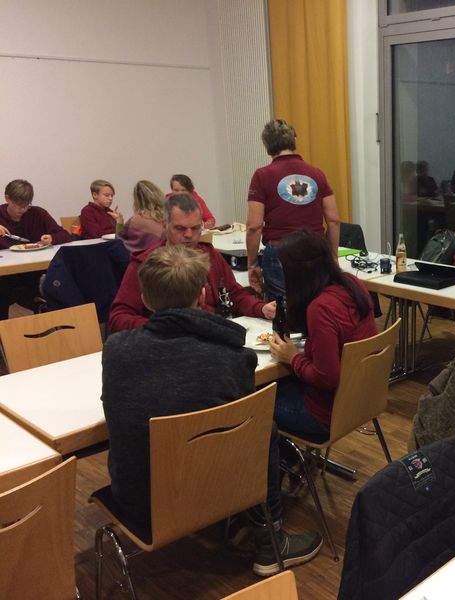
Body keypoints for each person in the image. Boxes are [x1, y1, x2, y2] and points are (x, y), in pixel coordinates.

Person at [101, 244, 321, 577]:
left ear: (144, 299)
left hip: (137, 502)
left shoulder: (116, 351)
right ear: (203, 295)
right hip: (218, 495)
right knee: (262, 431)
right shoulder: (232, 357)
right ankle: (271, 542)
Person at [107, 193, 275, 334]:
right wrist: (163, 327)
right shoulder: (146, 263)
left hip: (211, 336)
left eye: (195, 228)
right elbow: (118, 318)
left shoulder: (210, 255)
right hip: (165, 342)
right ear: (165, 226)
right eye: (180, 228)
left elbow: (234, 295)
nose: (189, 235)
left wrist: (261, 308)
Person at [268, 229, 377, 438]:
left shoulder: (320, 308)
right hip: (362, 400)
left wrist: (293, 358)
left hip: (325, 415)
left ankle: (283, 456)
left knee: (252, 399)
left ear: (297, 273)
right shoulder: (351, 283)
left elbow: (327, 378)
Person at [246, 119, 341, 300]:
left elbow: (254, 226)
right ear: (294, 140)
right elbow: (334, 220)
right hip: (316, 250)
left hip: (281, 252)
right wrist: (333, 257)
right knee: (317, 306)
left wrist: (252, 265)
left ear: (266, 145)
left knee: (285, 311)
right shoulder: (317, 174)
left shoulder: (262, 176)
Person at [0, 179, 72, 319]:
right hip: (7, 273)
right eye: (18, 205)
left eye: (27, 205)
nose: (23, 210)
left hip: (35, 271)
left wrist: (52, 238)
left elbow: (65, 235)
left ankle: (57, 319)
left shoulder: (38, 214)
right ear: (7, 198)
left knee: (60, 276)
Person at [117, 180, 166, 253]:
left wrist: (119, 223)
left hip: (141, 259)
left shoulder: (135, 220)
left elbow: (119, 243)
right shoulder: (168, 217)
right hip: (162, 257)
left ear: (136, 200)